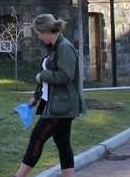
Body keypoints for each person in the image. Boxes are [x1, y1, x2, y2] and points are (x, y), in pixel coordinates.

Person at [12, 14, 84, 177]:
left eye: (38, 33)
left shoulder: (64, 47)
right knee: (63, 143)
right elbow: (48, 78)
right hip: (53, 103)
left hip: (61, 106)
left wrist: (43, 75)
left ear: (45, 31)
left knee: (37, 138)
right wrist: (36, 96)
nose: (38, 37)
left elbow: (66, 76)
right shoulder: (54, 47)